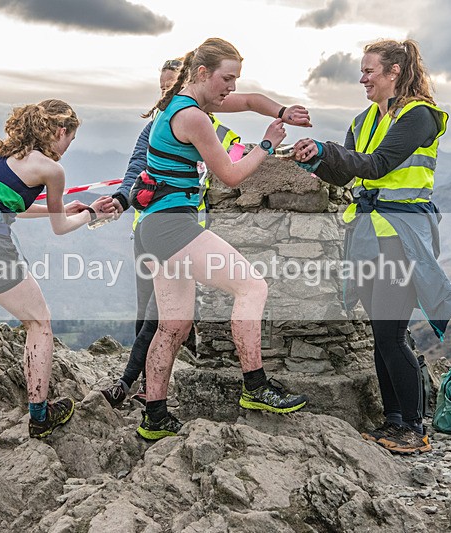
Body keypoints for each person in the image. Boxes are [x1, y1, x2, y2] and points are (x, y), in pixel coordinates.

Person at [102, 58, 312, 408]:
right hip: (174, 226)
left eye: (235, 79)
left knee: (173, 326)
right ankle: (256, 387)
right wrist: (268, 144)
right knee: (252, 286)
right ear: (202, 73)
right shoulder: (194, 118)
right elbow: (230, 176)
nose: (231, 87)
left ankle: (155, 415)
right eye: (226, 78)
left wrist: (283, 110)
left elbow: (249, 100)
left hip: (155, 227)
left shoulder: (179, 105)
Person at [0, 99, 116, 474]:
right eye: (70, 139)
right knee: (39, 322)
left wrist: (59, 208)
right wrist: (92, 213)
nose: (68, 148)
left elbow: (4, 204)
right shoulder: (51, 167)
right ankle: (40, 415)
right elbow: (60, 229)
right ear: (60, 132)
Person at [292, 39, 451, 454]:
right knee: (382, 333)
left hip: (401, 236)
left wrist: (328, 150)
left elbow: (380, 164)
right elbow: (349, 176)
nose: (362, 78)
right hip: (368, 235)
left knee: (390, 333)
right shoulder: (364, 119)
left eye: (370, 70)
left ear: (395, 72)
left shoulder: (419, 116)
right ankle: (395, 420)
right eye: (362, 71)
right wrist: (315, 160)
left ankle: (414, 427)